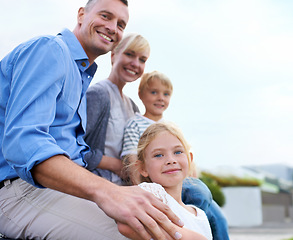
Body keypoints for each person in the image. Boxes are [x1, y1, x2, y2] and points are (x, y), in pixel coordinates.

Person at [0, 0, 185, 239]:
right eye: (105, 16)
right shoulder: (51, 49)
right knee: (143, 234)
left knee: (178, 224)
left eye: (121, 24)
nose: (112, 27)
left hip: (62, 191)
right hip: (20, 190)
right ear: (81, 15)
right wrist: (107, 191)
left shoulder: (81, 76)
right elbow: (24, 144)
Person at [120, 71, 230, 240]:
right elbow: (132, 159)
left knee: (217, 216)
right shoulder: (151, 193)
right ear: (141, 95)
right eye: (154, 92)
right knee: (199, 192)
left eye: (166, 94)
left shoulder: (168, 126)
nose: (171, 160)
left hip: (184, 197)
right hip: (156, 186)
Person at [122, 122, 213, 240]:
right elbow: (126, 226)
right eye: (159, 155)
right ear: (142, 168)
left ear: (189, 159)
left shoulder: (200, 215)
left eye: (178, 152)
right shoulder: (150, 194)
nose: (171, 160)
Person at [84, 32, 150, 185]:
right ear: (113, 55)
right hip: (100, 186)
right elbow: (71, 148)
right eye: (129, 54)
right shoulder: (98, 94)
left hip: (125, 186)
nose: (135, 63)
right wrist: (115, 164)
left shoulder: (133, 107)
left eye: (142, 59)